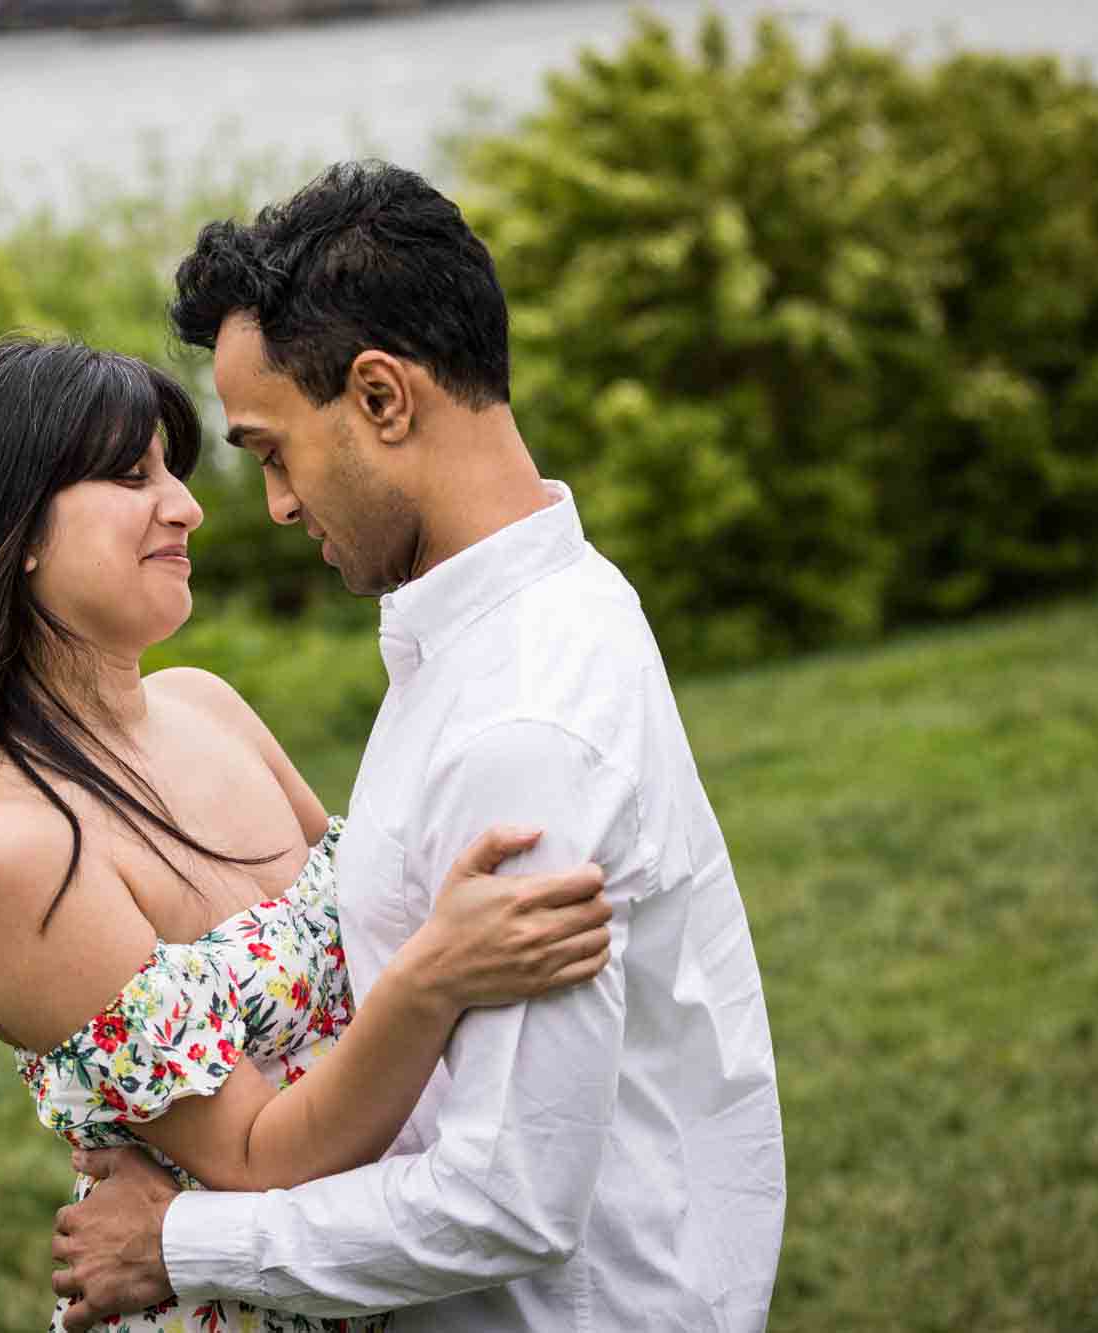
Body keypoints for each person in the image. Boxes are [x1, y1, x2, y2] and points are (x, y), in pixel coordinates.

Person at [50, 161, 787, 1332]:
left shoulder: (519, 725)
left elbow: (505, 1200)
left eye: (272, 450)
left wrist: (179, 1243)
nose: (277, 505)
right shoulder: (539, 611)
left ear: (382, 399)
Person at [0, 335, 618, 1333]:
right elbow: (257, 1155)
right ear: (13, 528)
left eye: (172, 470)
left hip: (398, 1268)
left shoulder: (207, 706)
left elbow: (373, 917)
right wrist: (438, 975)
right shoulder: (9, 845)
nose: (185, 505)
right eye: (132, 475)